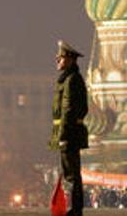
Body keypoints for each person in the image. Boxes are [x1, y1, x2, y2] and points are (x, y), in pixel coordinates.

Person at [49, 40, 89, 216]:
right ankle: (75, 207)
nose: (57, 60)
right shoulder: (68, 79)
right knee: (71, 172)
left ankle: (75, 208)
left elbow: (68, 109)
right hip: (68, 131)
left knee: (71, 173)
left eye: (61, 57)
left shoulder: (71, 80)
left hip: (69, 132)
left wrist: (63, 135)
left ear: (71, 60)